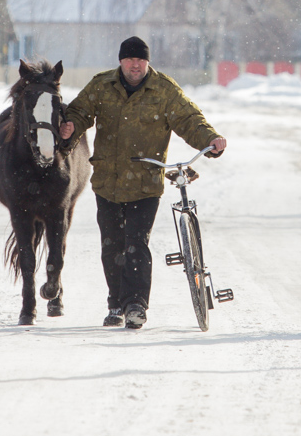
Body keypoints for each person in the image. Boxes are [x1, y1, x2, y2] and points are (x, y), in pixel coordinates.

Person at [58, 36, 227, 330]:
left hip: (145, 184)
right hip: (107, 181)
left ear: (147, 62)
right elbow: (79, 112)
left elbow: (189, 119)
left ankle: (136, 305)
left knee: (136, 244)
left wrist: (209, 139)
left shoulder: (164, 90)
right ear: (121, 61)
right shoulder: (101, 85)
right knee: (112, 246)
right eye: (129, 59)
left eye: (140, 59)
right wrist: (70, 128)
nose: (135, 65)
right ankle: (115, 303)